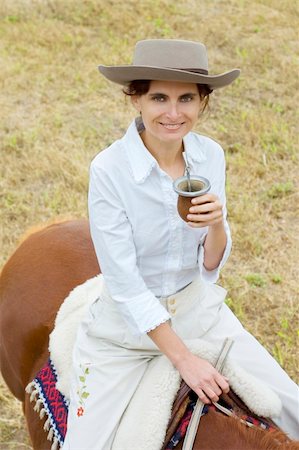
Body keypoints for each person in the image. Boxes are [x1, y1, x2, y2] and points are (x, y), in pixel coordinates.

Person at [62, 39, 299, 449]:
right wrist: (185, 359)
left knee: (293, 408)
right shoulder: (109, 170)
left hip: (198, 313)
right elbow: (124, 283)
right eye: (159, 97)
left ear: (202, 102)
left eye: (186, 98)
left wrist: (218, 223)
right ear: (135, 98)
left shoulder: (210, 155)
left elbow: (210, 267)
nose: (173, 113)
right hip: (124, 335)